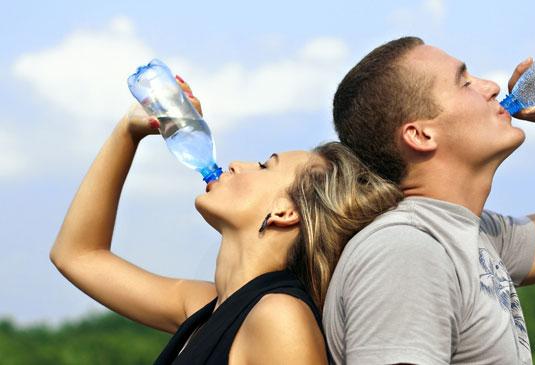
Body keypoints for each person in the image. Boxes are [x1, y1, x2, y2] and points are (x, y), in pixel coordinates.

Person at [49, 77, 403, 364]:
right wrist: (128, 131)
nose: (238, 164)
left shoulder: (279, 318)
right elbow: (77, 254)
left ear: (285, 213)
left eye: (266, 165)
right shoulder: (205, 306)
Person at [324, 36, 535, 364]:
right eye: (465, 82)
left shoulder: (470, 234)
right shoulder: (407, 250)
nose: (492, 87)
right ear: (421, 135)